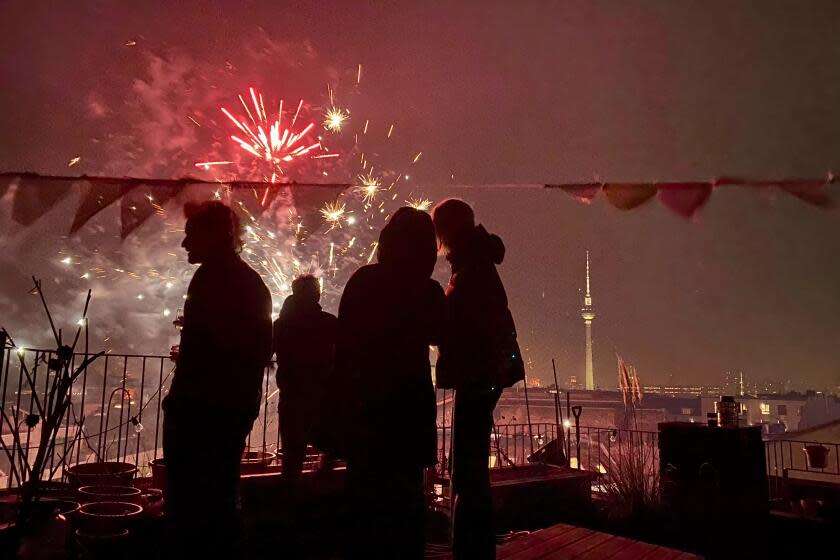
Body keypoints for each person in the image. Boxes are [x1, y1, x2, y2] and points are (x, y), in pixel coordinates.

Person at [162, 201, 272, 557]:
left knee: (191, 501)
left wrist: (178, 403)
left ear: (214, 236)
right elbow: (257, 351)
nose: (184, 245)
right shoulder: (253, 283)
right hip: (234, 408)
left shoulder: (209, 278)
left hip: (201, 412)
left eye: (191, 236)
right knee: (221, 494)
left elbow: (204, 352)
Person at [335, 207, 445, 559]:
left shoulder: (362, 281)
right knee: (405, 505)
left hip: (365, 409)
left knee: (363, 501)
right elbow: (443, 333)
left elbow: (344, 346)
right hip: (408, 410)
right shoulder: (427, 290)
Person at [432, 198, 524, 560]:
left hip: (479, 374)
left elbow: (461, 324)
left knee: (468, 469)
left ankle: (472, 549)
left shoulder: (471, 270)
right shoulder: (477, 262)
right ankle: (474, 546)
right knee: (469, 466)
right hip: (487, 373)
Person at [273, 274, 337, 479]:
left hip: (292, 397)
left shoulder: (282, 324)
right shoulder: (329, 322)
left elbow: (264, 354)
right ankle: (322, 495)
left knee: (292, 459)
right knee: (331, 449)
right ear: (317, 295)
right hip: (323, 398)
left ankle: (289, 501)